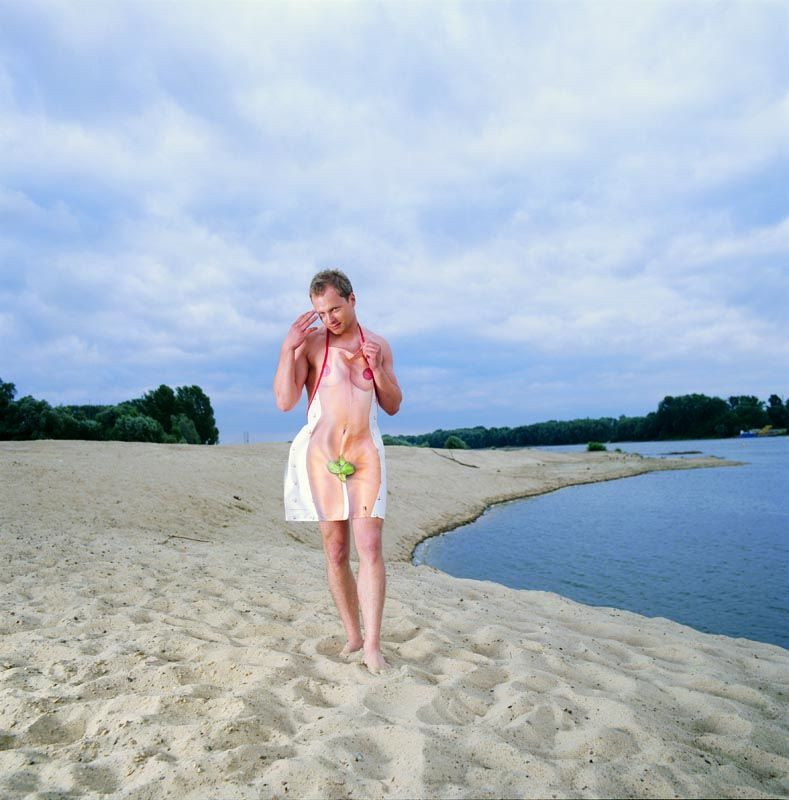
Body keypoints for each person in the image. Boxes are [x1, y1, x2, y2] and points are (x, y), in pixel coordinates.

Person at [273, 269, 402, 674]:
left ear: (352, 299)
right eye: (320, 311)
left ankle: (374, 646)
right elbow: (285, 401)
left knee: (370, 546)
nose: (329, 318)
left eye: (334, 308)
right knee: (336, 550)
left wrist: (378, 369)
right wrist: (287, 350)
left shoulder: (377, 344)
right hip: (323, 458)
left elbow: (394, 404)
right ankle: (353, 636)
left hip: (365, 454)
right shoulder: (311, 346)